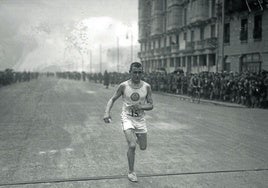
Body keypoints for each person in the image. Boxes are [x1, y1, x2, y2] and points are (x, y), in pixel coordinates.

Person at [103, 62, 153, 182]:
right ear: (130, 72)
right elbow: (112, 99)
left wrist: (141, 107)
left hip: (140, 120)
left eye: (139, 72)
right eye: (134, 72)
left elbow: (151, 105)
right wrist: (106, 112)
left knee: (143, 147)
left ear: (142, 73)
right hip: (127, 118)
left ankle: (135, 137)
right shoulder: (124, 86)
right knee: (132, 145)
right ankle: (131, 172)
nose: (137, 75)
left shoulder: (146, 87)